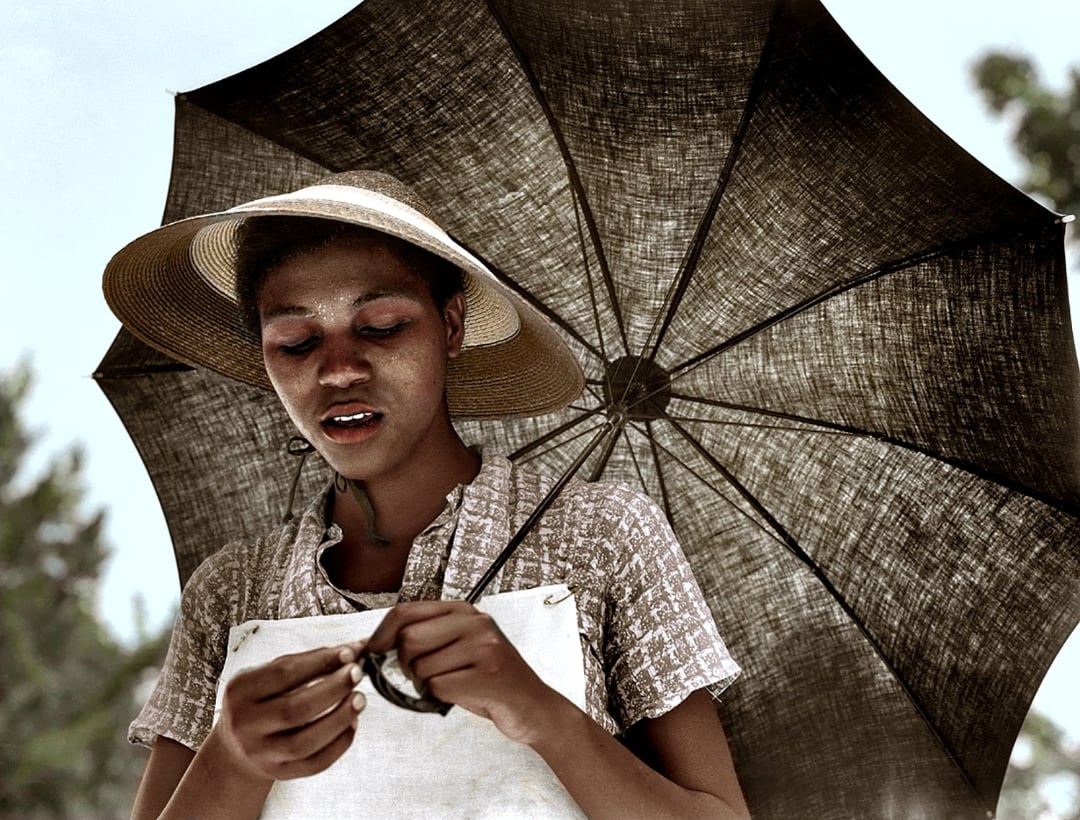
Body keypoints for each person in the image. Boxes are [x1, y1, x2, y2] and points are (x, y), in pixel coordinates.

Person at [103, 170, 748, 818]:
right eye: (296, 343)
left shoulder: (600, 537)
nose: (339, 370)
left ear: (451, 325)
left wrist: (540, 713)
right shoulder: (232, 593)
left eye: (380, 327)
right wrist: (231, 760)